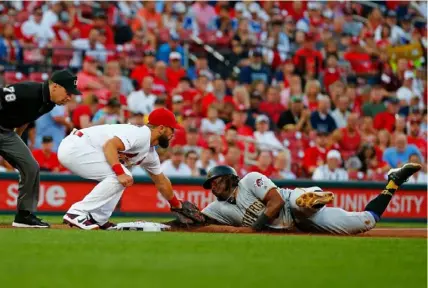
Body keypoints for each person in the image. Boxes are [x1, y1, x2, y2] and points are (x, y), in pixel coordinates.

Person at [198, 163, 421, 234]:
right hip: (302, 225)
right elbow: (200, 220)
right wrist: (180, 212)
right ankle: (394, 181)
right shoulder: (217, 207)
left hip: (290, 203)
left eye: (216, 180)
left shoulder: (249, 179)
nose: (213, 186)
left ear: (230, 178)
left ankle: (313, 198)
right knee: (367, 221)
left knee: (299, 203)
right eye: (210, 185)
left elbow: (275, 202)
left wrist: (254, 228)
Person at [58, 108, 184, 230]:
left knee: (124, 176)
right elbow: (110, 145)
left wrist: (176, 204)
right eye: (171, 129)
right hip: (76, 146)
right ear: (161, 128)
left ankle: (98, 219)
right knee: (121, 174)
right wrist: (119, 172)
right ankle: (77, 212)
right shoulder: (141, 134)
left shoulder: (149, 153)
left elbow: (161, 181)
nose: (173, 133)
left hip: (81, 149)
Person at [0, 69, 79, 228]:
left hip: (6, 133)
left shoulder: (49, 103)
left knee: (31, 167)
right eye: (68, 92)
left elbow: (24, 120)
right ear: (55, 86)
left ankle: (24, 216)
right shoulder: (28, 91)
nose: (69, 97)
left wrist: (18, 145)